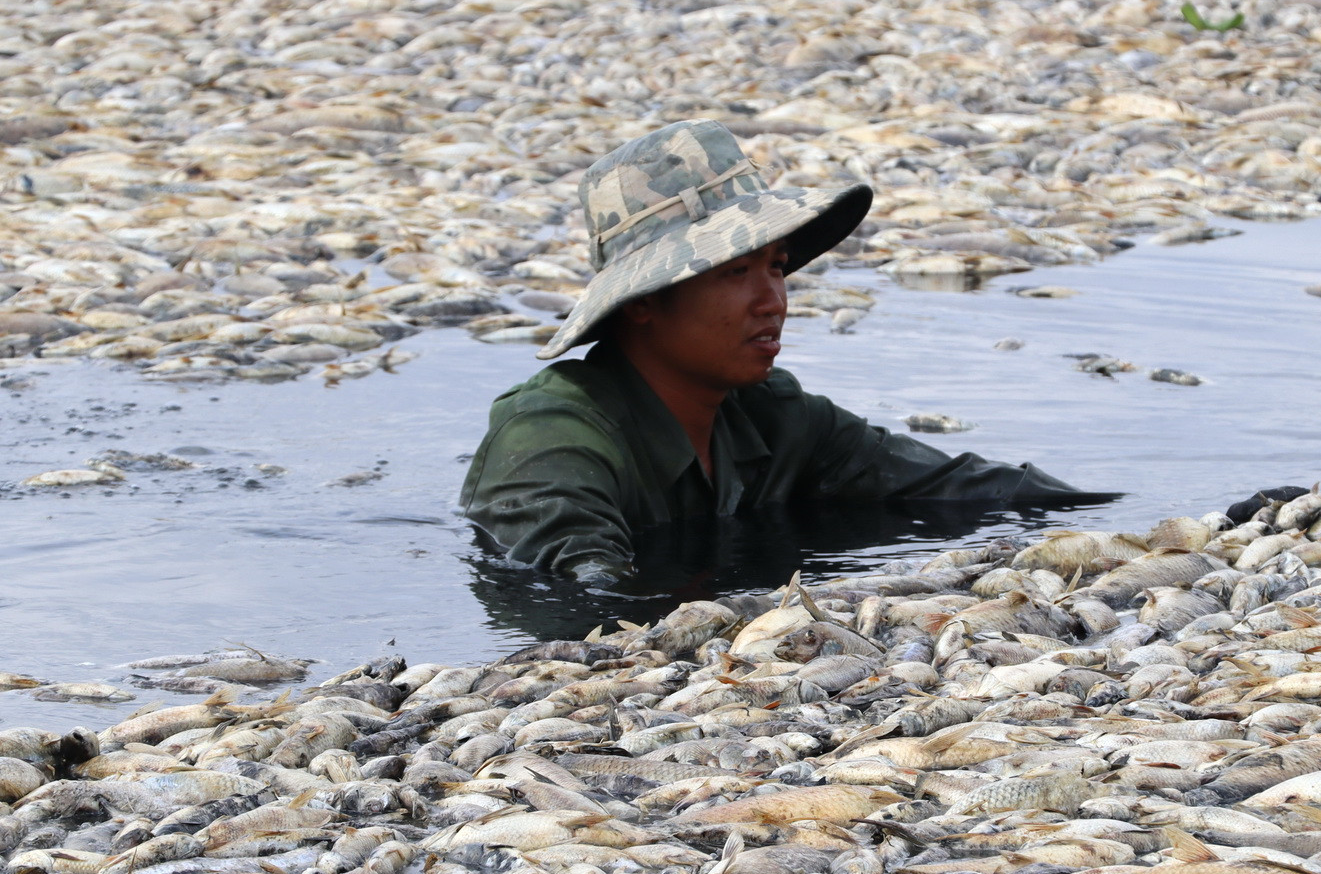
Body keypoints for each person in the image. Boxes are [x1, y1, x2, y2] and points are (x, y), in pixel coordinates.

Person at [459, 119, 1094, 583]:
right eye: (736, 273)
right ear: (642, 302)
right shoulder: (550, 433)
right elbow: (583, 582)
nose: (773, 300)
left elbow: (961, 486)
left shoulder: (773, 414)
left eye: (777, 267)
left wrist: (1122, 534)